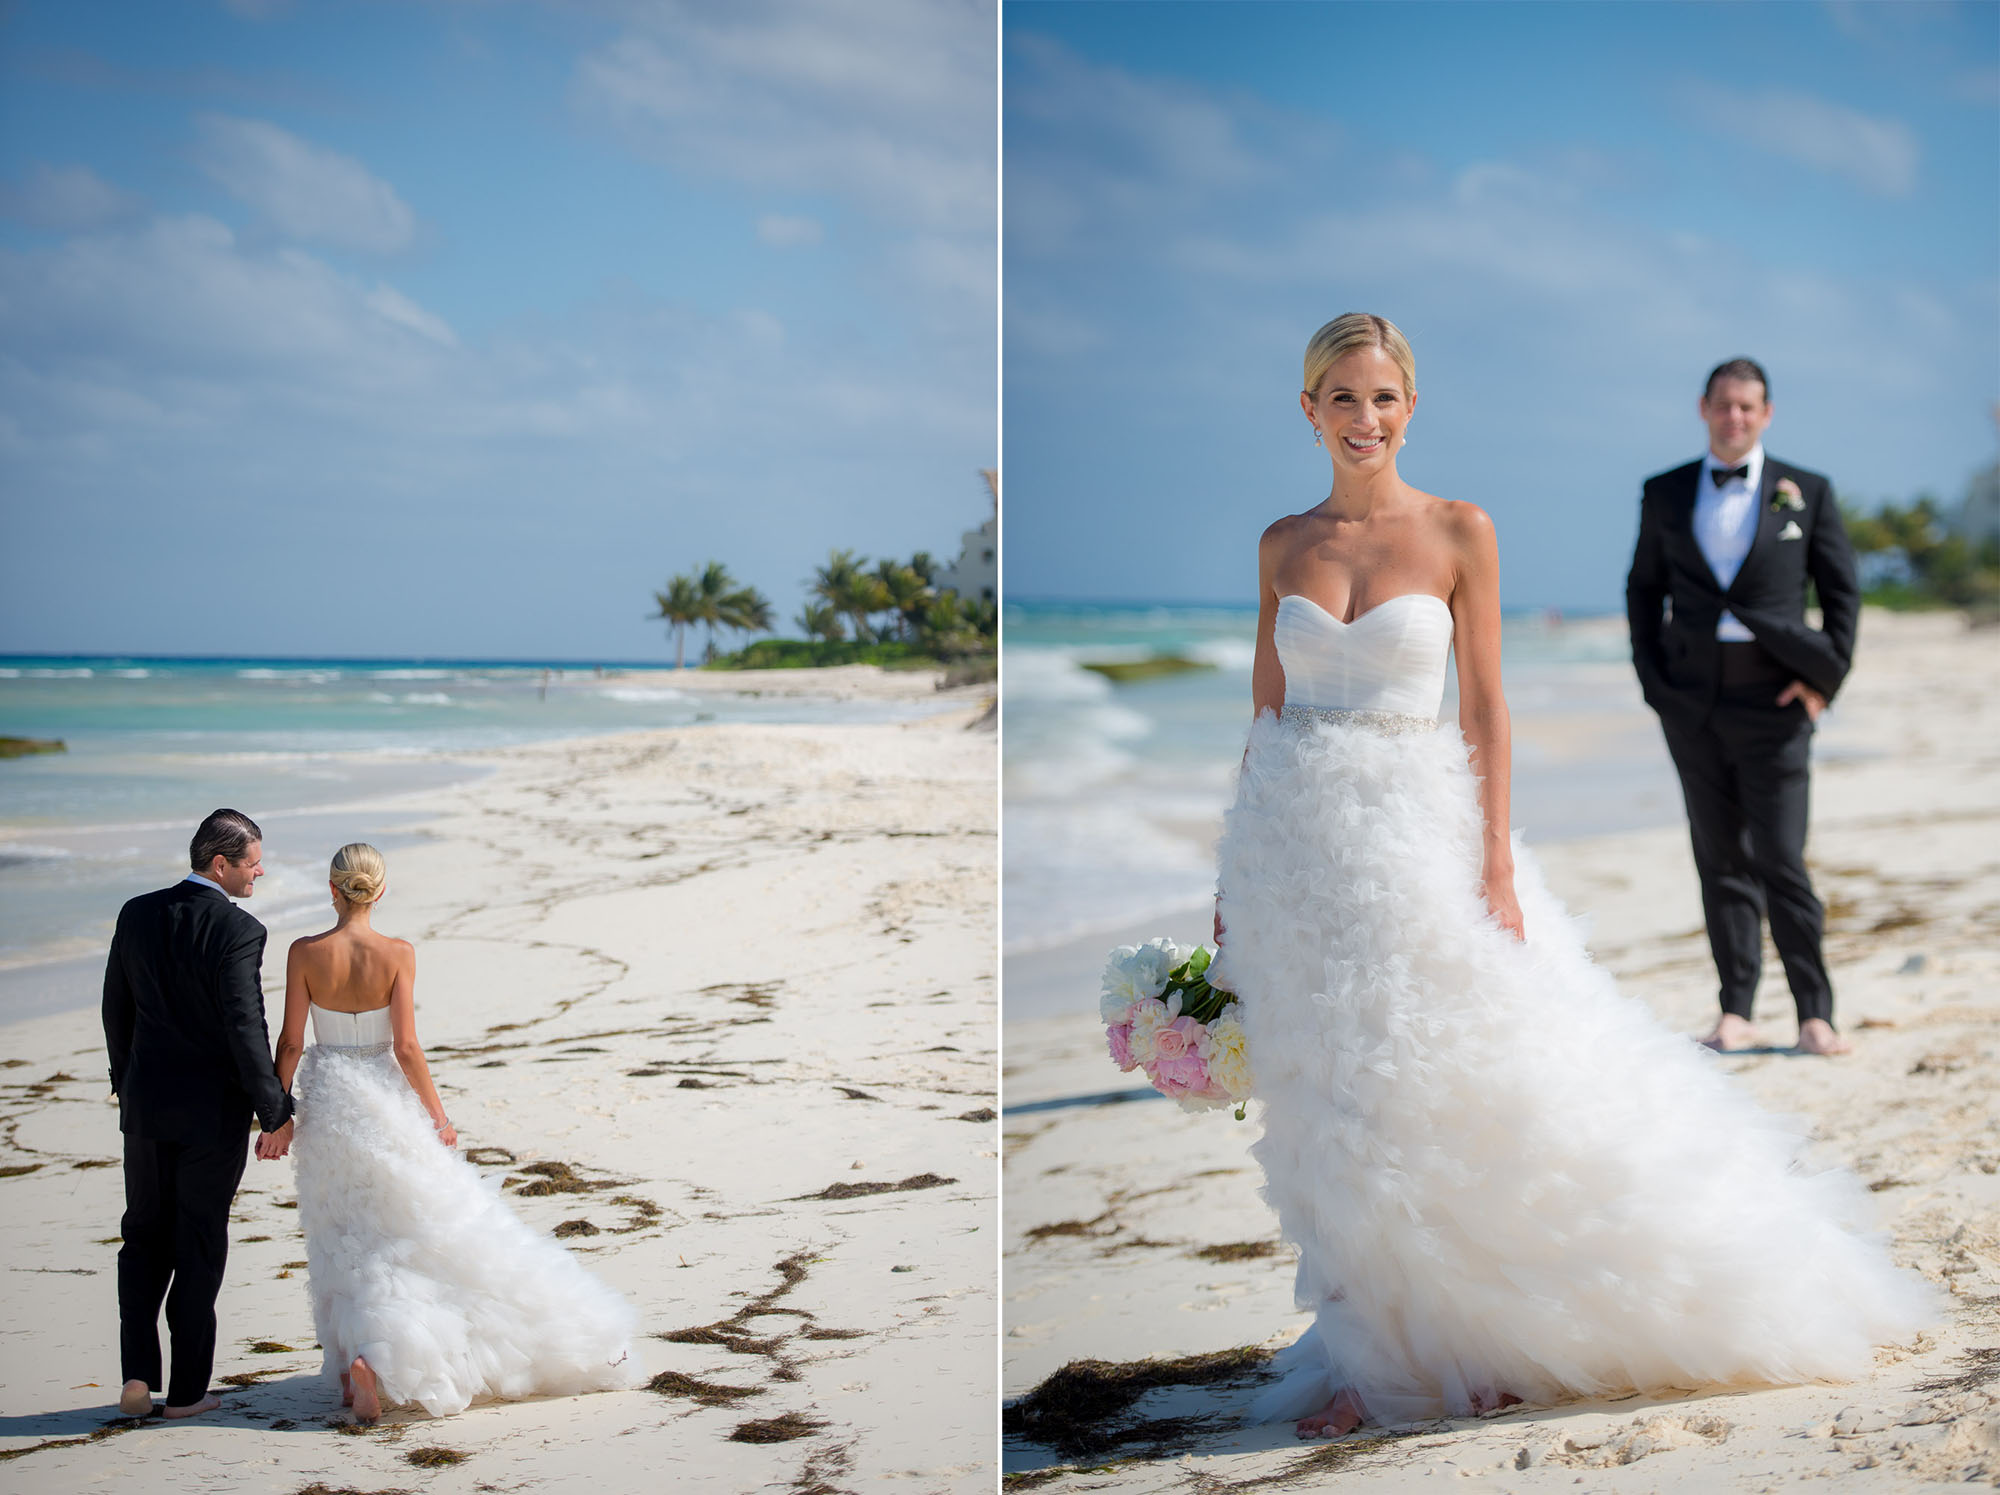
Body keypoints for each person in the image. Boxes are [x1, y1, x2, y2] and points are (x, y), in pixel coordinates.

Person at [1211, 314, 1930, 1441]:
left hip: (1414, 838)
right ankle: (1368, 1347)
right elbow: (1262, 712)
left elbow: (1489, 708)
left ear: (1411, 406)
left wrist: (1493, 861)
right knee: (1323, 1102)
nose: (1363, 420)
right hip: (1290, 856)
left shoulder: (1458, 530)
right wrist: (1229, 874)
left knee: (1444, 1080)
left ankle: (1484, 1329)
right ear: (1306, 410)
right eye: (1340, 399)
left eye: (1383, 398)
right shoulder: (1277, 545)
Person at [274, 843, 640, 1421]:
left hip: (328, 1101)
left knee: (338, 1231)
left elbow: (292, 1042)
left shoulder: (303, 952)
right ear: (381, 890)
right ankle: (375, 1358)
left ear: (332, 887)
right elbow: (407, 1047)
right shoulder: (397, 953)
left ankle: (350, 1366)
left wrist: (277, 1113)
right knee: (399, 1227)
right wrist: (438, 1118)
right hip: (382, 1099)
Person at [1626, 360, 1861, 1054]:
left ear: (1767, 413)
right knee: (1719, 854)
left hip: (1778, 698)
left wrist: (1825, 680)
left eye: (1748, 407)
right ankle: (1735, 1010)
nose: (1735, 418)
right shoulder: (1663, 491)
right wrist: (1656, 684)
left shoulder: (1806, 490)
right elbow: (1643, 589)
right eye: (1724, 406)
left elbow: (1841, 592)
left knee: (1781, 855)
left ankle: (1815, 1014)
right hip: (1692, 701)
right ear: (1704, 408)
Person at [102, 808, 295, 1421]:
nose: (259, 871)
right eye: (252, 861)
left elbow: (115, 1008)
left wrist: (126, 1084)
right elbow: (245, 1025)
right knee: (199, 1241)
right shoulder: (239, 931)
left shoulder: (136, 912)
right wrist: (274, 1110)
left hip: (147, 1108)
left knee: (142, 1237)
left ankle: (137, 1376)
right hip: (211, 1115)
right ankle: (185, 1391)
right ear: (221, 864)